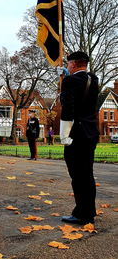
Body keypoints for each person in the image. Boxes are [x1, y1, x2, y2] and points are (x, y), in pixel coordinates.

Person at [59, 51, 100, 225]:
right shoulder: (94, 79)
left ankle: (82, 214)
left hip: (76, 134)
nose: (68, 67)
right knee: (87, 174)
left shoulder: (69, 81)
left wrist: (64, 135)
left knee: (78, 175)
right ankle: (89, 210)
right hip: (91, 132)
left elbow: (68, 109)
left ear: (73, 64)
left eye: (69, 64)